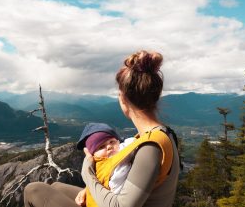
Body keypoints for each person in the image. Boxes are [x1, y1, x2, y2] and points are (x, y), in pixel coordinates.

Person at [23, 50, 180, 207]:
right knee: (56, 187)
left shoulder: (150, 147)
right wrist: (90, 189)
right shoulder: (160, 134)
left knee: (34, 190)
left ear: (123, 98)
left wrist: (88, 174)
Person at [74, 122, 137, 205]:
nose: (109, 147)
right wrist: (87, 189)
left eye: (112, 142)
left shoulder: (121, 155)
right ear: (94, 154)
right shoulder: (99, 165)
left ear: (118, 141)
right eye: (101, 146)